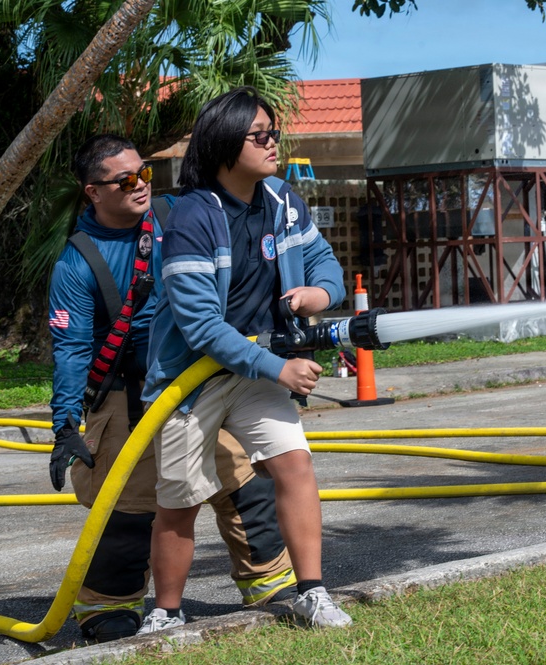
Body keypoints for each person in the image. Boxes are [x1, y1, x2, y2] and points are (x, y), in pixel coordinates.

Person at [48, 134, 296, 643]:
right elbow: (71, 349)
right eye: (126, 180)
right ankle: (107, 607)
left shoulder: (179, 215)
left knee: (243, 484)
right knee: (128, 507)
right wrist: (64, 425)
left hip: (198, 381)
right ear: (92, 192)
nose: (141, 186)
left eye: (145, 173)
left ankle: (270, 582)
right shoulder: (77, 263)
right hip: (126, 393)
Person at [141, 86, 352, 631]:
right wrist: (280, 368)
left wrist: (319, 295)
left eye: (273, 131)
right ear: (223, 145)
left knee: (295, 464)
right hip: (192, 379)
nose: (272, 142)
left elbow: (324, 260)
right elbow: (201, 326)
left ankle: (312, 592)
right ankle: (165, 612)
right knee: (181, 499)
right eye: (259, 135)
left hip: (258, 368)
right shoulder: (191, 217)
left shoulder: (283, 199)